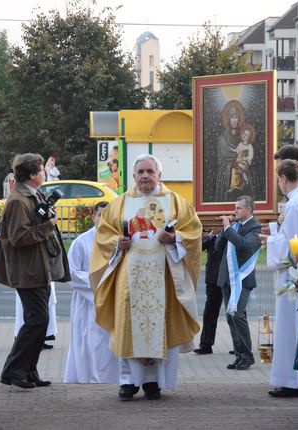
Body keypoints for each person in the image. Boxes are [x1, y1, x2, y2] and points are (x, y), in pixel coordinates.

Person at [90, 154, 202, 400]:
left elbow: (193, 232)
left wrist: (175, 239)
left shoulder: (176, 203)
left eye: (150, 171)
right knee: (126, 325)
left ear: (159, 175)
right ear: (133, 176)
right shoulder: (119, 204)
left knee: (161, 323)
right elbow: (104, 235)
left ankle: (154, 382)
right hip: (129, 278)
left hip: (164, 278)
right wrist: (117, 243)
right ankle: (128, 381)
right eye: (140, 172)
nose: (145, 176)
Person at [0, 153, 70, 389]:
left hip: (38, 267)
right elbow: (19, 237)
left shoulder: (31, 194)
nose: (44, 172)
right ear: (31, 174)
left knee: (38, 321)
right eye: (40, 169)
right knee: (37, 321)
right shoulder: (18, 200)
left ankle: (28, 370)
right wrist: (48, 226)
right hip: (28, 270)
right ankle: (14, 371)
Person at [260, 159, 298, 398]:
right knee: (292, 327)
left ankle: (293, 381)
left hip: (294, 273)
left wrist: (270, 243)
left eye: (279, 180)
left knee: (290, 329)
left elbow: (296, 243)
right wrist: (275, 233)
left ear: (283, 178)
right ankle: (294, 379)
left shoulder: (294, 204)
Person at [63, 201, 119, 383]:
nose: (103, 219)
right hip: (87, 301)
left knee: (108, 344)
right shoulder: (81, 242)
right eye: (100, 215)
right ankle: (87, 378)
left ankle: (112, 379)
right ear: (94, 217)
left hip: (111, 300)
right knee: (87, 342)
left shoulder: (118, 241)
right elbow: (72, 272)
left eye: (107, 216)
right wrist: (99, 282)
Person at [215, 195, 261, 370]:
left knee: (238, 315)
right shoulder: (234, 226)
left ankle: (247, 356)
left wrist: (229, 229)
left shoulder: (254, 227)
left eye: (239, 208)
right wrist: (225, 229)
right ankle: (238, 354)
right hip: (227, 277)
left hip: (242, 279)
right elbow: (219, 247)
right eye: (235, 207)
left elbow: (243, 245)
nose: (235, 211)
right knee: (230, 316)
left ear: (248, 210)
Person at [193, 228, 226, 355]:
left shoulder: (233, 232)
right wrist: (212, 235)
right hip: (213, 278)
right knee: (209, 313)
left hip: (229, 278)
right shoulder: (212, 236)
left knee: (234, 314)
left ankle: (239, 345)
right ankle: (206, 344)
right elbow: (199, 247)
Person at [215, 101, 245, 201]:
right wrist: (232, 164)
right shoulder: (223, 138)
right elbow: (221, 161)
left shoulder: (243, 137)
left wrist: (242, 164)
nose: (234, 120)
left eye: (236, 117)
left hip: (242, 173)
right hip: (226, 176)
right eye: (232, 117)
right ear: (228, 119)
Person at [228, 125, 256, 194]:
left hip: (245, 163)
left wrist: (245, 158)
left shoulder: (250, 147)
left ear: (249, 137)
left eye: (246, 135)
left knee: (238, 168)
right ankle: (234, 185)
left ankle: (244, 177)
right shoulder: (240, 144)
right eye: (243, 133)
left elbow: (251, 157)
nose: (244, 135)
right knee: (234, 170)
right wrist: (232, 150)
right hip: (239, 161)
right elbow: (237, 150)